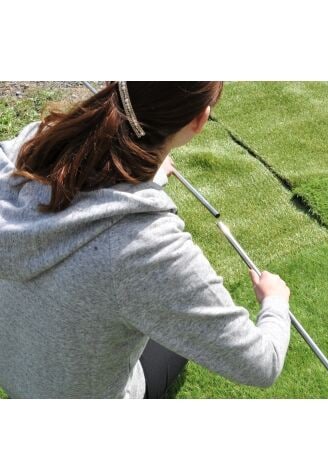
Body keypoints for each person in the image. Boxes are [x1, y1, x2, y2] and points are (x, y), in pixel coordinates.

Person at [0, 81, 291, 399]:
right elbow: (262, 364)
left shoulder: (31, 143)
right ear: (200, 120)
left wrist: (149, 171)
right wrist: (275, 301)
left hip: (10, 367)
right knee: (175, 346)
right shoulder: (148, 248)